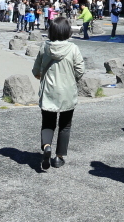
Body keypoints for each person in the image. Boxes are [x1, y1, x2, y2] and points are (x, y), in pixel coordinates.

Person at [32, 17, 85, 170]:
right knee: (65, 125)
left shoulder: (44, 47)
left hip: (49, 91)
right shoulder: (73, 48)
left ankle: (47, 145)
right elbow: (80, 70)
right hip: (67, 91)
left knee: (48, 123)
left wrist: (41, 75)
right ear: (67, 31)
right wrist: (71, 78)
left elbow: (36, 70)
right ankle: (59, 157)